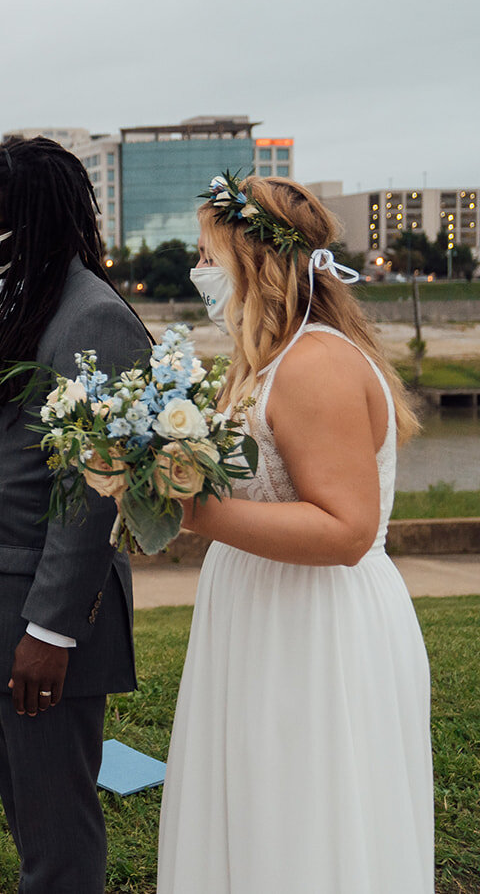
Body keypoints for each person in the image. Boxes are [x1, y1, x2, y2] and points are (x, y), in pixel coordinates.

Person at [158, 175, 433, 892]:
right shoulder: (267, 360)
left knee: (304, 818)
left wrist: (197, 512)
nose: (200, 268)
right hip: (259, 608)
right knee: (252, 809)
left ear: (252, 258)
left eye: (207, 251)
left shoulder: (317, 364)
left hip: (318, 626)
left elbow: (347, 528)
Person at [0, 136, 151, 893]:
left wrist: (52, 628)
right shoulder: (18, 292)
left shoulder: (93, 319)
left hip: (40, 619)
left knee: (57, 831)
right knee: (28, 814)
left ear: (36, 224)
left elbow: (90, 491)